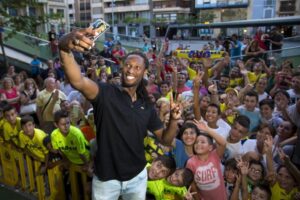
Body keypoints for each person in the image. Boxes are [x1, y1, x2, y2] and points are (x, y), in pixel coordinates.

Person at [58, 28, 181, 200]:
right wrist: (64, 48)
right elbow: (77, 80)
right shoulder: (105, 93)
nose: (131, 70)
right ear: (122, 67)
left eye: (137, 67)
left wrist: (174, 120)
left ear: (144, 73)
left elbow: (166, 140)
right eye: (128, 65)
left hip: (137, 178)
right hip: (106, 180)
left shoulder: (146, 106)